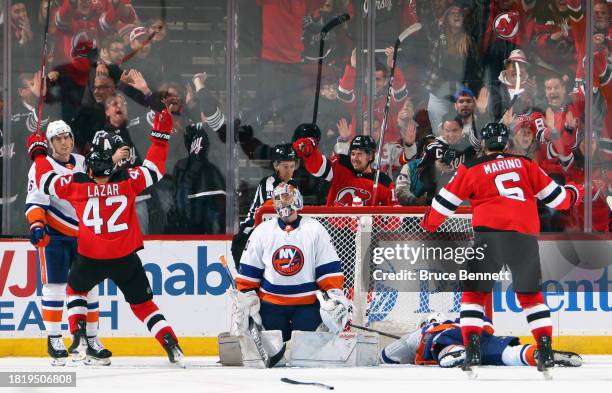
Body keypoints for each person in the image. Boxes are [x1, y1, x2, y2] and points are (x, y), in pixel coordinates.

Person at [420, 122, 584, 375]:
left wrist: (428, 223)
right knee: (531, 297)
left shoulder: (471, 167)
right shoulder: (526, 164)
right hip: (524, 238)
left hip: (488, 238)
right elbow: (559, 200)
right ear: (507, 143)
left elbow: (443, 205)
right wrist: (575, 192)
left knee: (474, 295)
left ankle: (472, 351)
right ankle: (545, 349)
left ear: (484, 145)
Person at [26, 109, 185, 367]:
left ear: (89, 168)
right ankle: (170, 342)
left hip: (91, 256)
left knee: (75, 288)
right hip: (125, 258)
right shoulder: (128, 182)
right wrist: (160, 137)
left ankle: (77, 334)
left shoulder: (77, 186)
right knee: (143, 304)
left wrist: (38, 153)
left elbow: (46, 180)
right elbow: (154, 168)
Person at [25, 120, 106, 365]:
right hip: (56, 236)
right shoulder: (41, 167)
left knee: (90, 287)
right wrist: (37, 225)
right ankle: (54, 338)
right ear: (49, 144)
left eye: (67, 136)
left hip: (85, 236)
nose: (64, 142)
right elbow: (35, 202)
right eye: (57, 138)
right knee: (56, 287)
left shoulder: (84, 162)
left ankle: (91, 340)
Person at [233, 182, 350, 343]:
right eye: (277, 198)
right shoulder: (262, 231)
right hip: (271, 307)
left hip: (307, 306)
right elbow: (248, 276)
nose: (282, 201)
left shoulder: (315, 229)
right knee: (276, 361)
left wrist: (334, 297)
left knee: (305, 357)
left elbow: (327, 271)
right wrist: (246, 298)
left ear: (297, 198)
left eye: (286, 196)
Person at [380, 313, 582, 368]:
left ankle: (454, 352)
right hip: (479, 335)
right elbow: (488, 326)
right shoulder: (464, 318)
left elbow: (387, 356)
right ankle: (536, 353)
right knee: (509, 354)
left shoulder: (429, 330)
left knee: (444, 344)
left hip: (451, 337)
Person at [231, 144, 299, 268]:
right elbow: (271, 208)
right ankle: (245, 280)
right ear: (276, 165)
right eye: (285, 166)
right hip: (253, 226)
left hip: (277, 226)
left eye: (292, 166)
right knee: (239, 242)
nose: (289, 170)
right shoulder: (268, 182)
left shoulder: (294, 184)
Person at [293, 134, 396, 206]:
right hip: (336, 232)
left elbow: (395, 216)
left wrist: (378, 218)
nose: (354, 159)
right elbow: (318, 169)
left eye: (360, 154)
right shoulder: (341, 165)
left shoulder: (383, 181)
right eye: (353, 154)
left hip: (368, 233)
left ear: (370, 156)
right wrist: (309, 152)